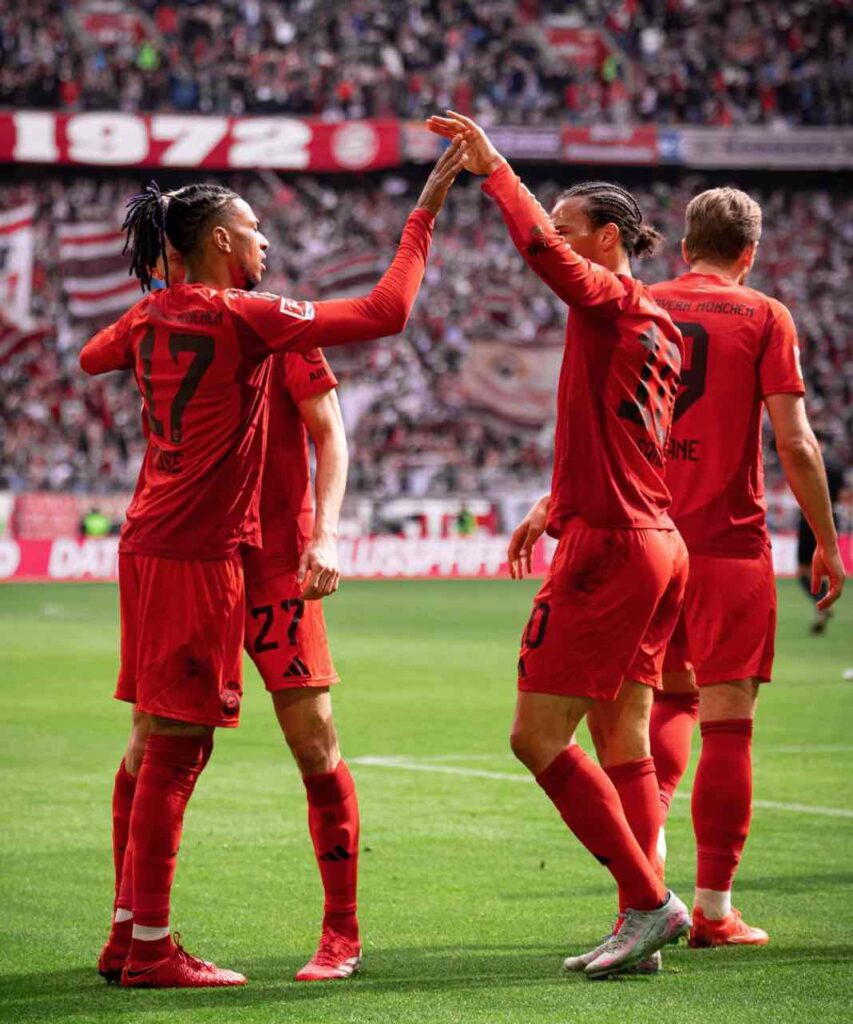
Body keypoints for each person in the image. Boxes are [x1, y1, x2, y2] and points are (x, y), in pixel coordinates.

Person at [86, 138, 466, 989]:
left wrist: (325, 534)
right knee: (153, 740)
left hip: (273, 563)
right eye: (253, 227)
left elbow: (331, 435)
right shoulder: (248, 317)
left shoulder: (279, 328)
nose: (266, 240)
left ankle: (339, 934)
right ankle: (132, 930)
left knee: (311, 739)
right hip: (208, 554)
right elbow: (383, 310)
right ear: (221, 240)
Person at [428, 112, 690, 979]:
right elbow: (624, 433)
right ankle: (638, 924)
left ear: (607, 240)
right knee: (624, 742)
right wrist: (557, 500)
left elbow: (543, 254)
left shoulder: (609, 297)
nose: (556, 238)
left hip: (611, 550)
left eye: (570, 227)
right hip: (653, 536)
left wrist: (495, 170)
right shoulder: (661, 326)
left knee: (535, 737)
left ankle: (649, 903)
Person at [644, 187, 845, 948]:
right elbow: (794, 441)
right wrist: (826, 540)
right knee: (727, 726)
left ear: (684, 244)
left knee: (664, 707)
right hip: (728, 545)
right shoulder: (764, 315)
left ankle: (643, 894)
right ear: (749, 253)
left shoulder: (640, 301)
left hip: (648, 536)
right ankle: (713, 909)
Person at [797, 447, 845, 634]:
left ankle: (822, 603)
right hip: (831, 518)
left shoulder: (806, 459)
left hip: (809, 516)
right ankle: (824, 603)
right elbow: (842, 496)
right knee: (825, 567)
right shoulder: (837, 466)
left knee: (804, 570)